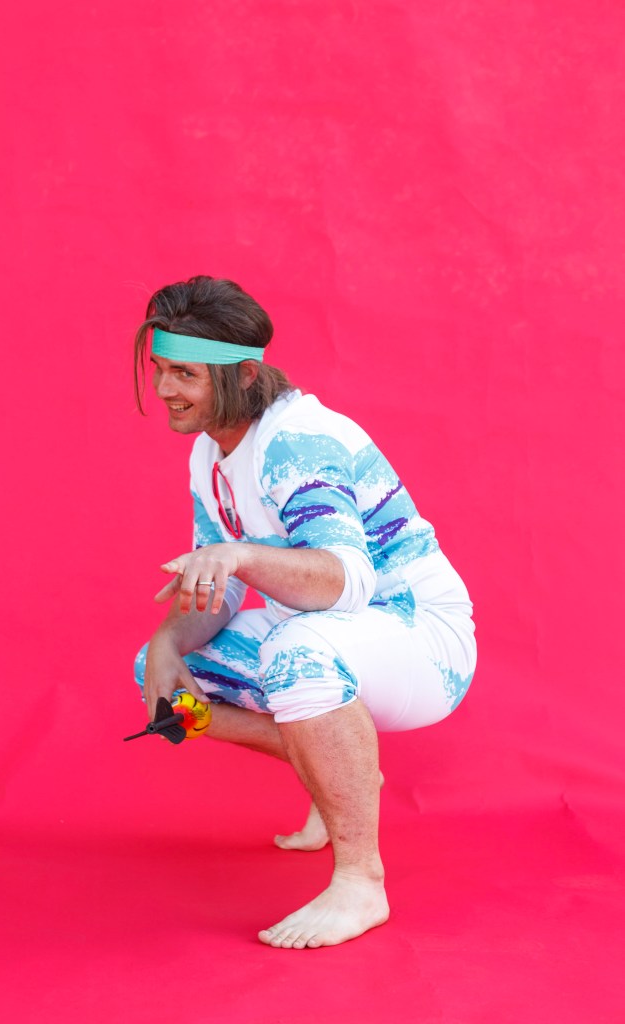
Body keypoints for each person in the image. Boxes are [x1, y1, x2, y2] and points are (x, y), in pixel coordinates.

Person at [132, 275, 476, 949]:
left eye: (185, 374)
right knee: (162, 669)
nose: (165, 389)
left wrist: (238, 554)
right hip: (338, 631)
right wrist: (169, 644)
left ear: (243, 374)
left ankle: (360, 881)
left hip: (420, 637)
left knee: (298, 656)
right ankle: (342, 771)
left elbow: (347, 580)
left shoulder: (297, 442)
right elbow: (224, 588)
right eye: (160, 369)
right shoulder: (210, 451)